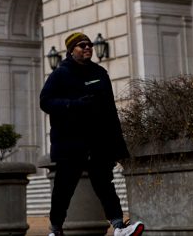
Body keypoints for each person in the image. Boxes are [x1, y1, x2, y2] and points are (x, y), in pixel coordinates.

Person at [40, 31, 142, 236]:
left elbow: (111, 112)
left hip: (98, 143)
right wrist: (72, 105)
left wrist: (118, 146)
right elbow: (45, 102)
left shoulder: (100, 73)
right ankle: (56, 230)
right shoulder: (60, 74)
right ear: (71, 51)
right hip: (70, 144)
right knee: (63, 189)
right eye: (82, 45)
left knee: (105, 186)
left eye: (89, 45)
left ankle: (119, 227)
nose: (87, 48)